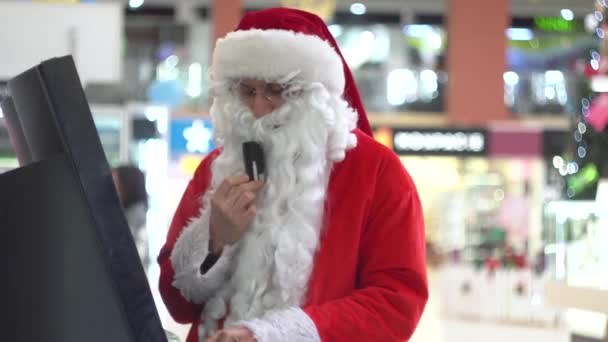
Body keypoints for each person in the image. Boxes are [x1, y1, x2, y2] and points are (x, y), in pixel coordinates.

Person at [157, 7, 428, 342]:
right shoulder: (216, 167)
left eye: (276, 89)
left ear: (315, 92)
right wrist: (213, 239)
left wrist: (274, 335)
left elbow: (395, 303)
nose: (259, 108)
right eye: (247, 90)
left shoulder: (378, 173)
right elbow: (177, 306)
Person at [112, 164, 149, 268]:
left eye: (116, 183)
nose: (112, 189)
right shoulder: (133, 212)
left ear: (127, 185)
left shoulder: (135, 216)